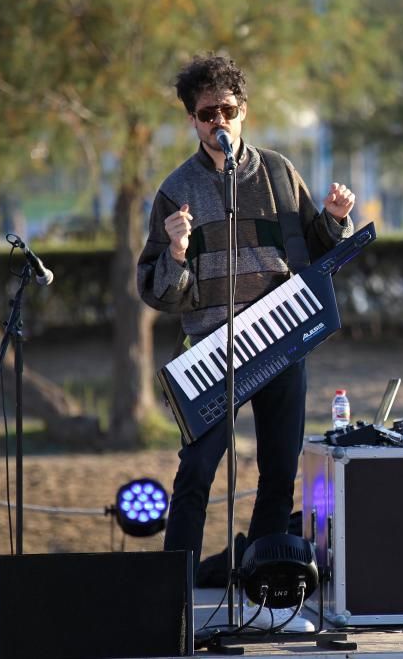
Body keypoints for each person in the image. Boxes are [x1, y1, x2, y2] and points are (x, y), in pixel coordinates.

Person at [137, 54, 354, 632]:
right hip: (212, 347)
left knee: (279, 471)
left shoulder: (280, 173)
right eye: (207, 113)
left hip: (280, 341)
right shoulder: (174, 190)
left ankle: (268, 601)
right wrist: (178, 251)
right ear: (192, 119)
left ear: (243, 112)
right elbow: (158, 292)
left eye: (227, 111)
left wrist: (333, 218)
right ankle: (169, 605)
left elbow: (316, 251)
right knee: (196, 473)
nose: (219, 123)